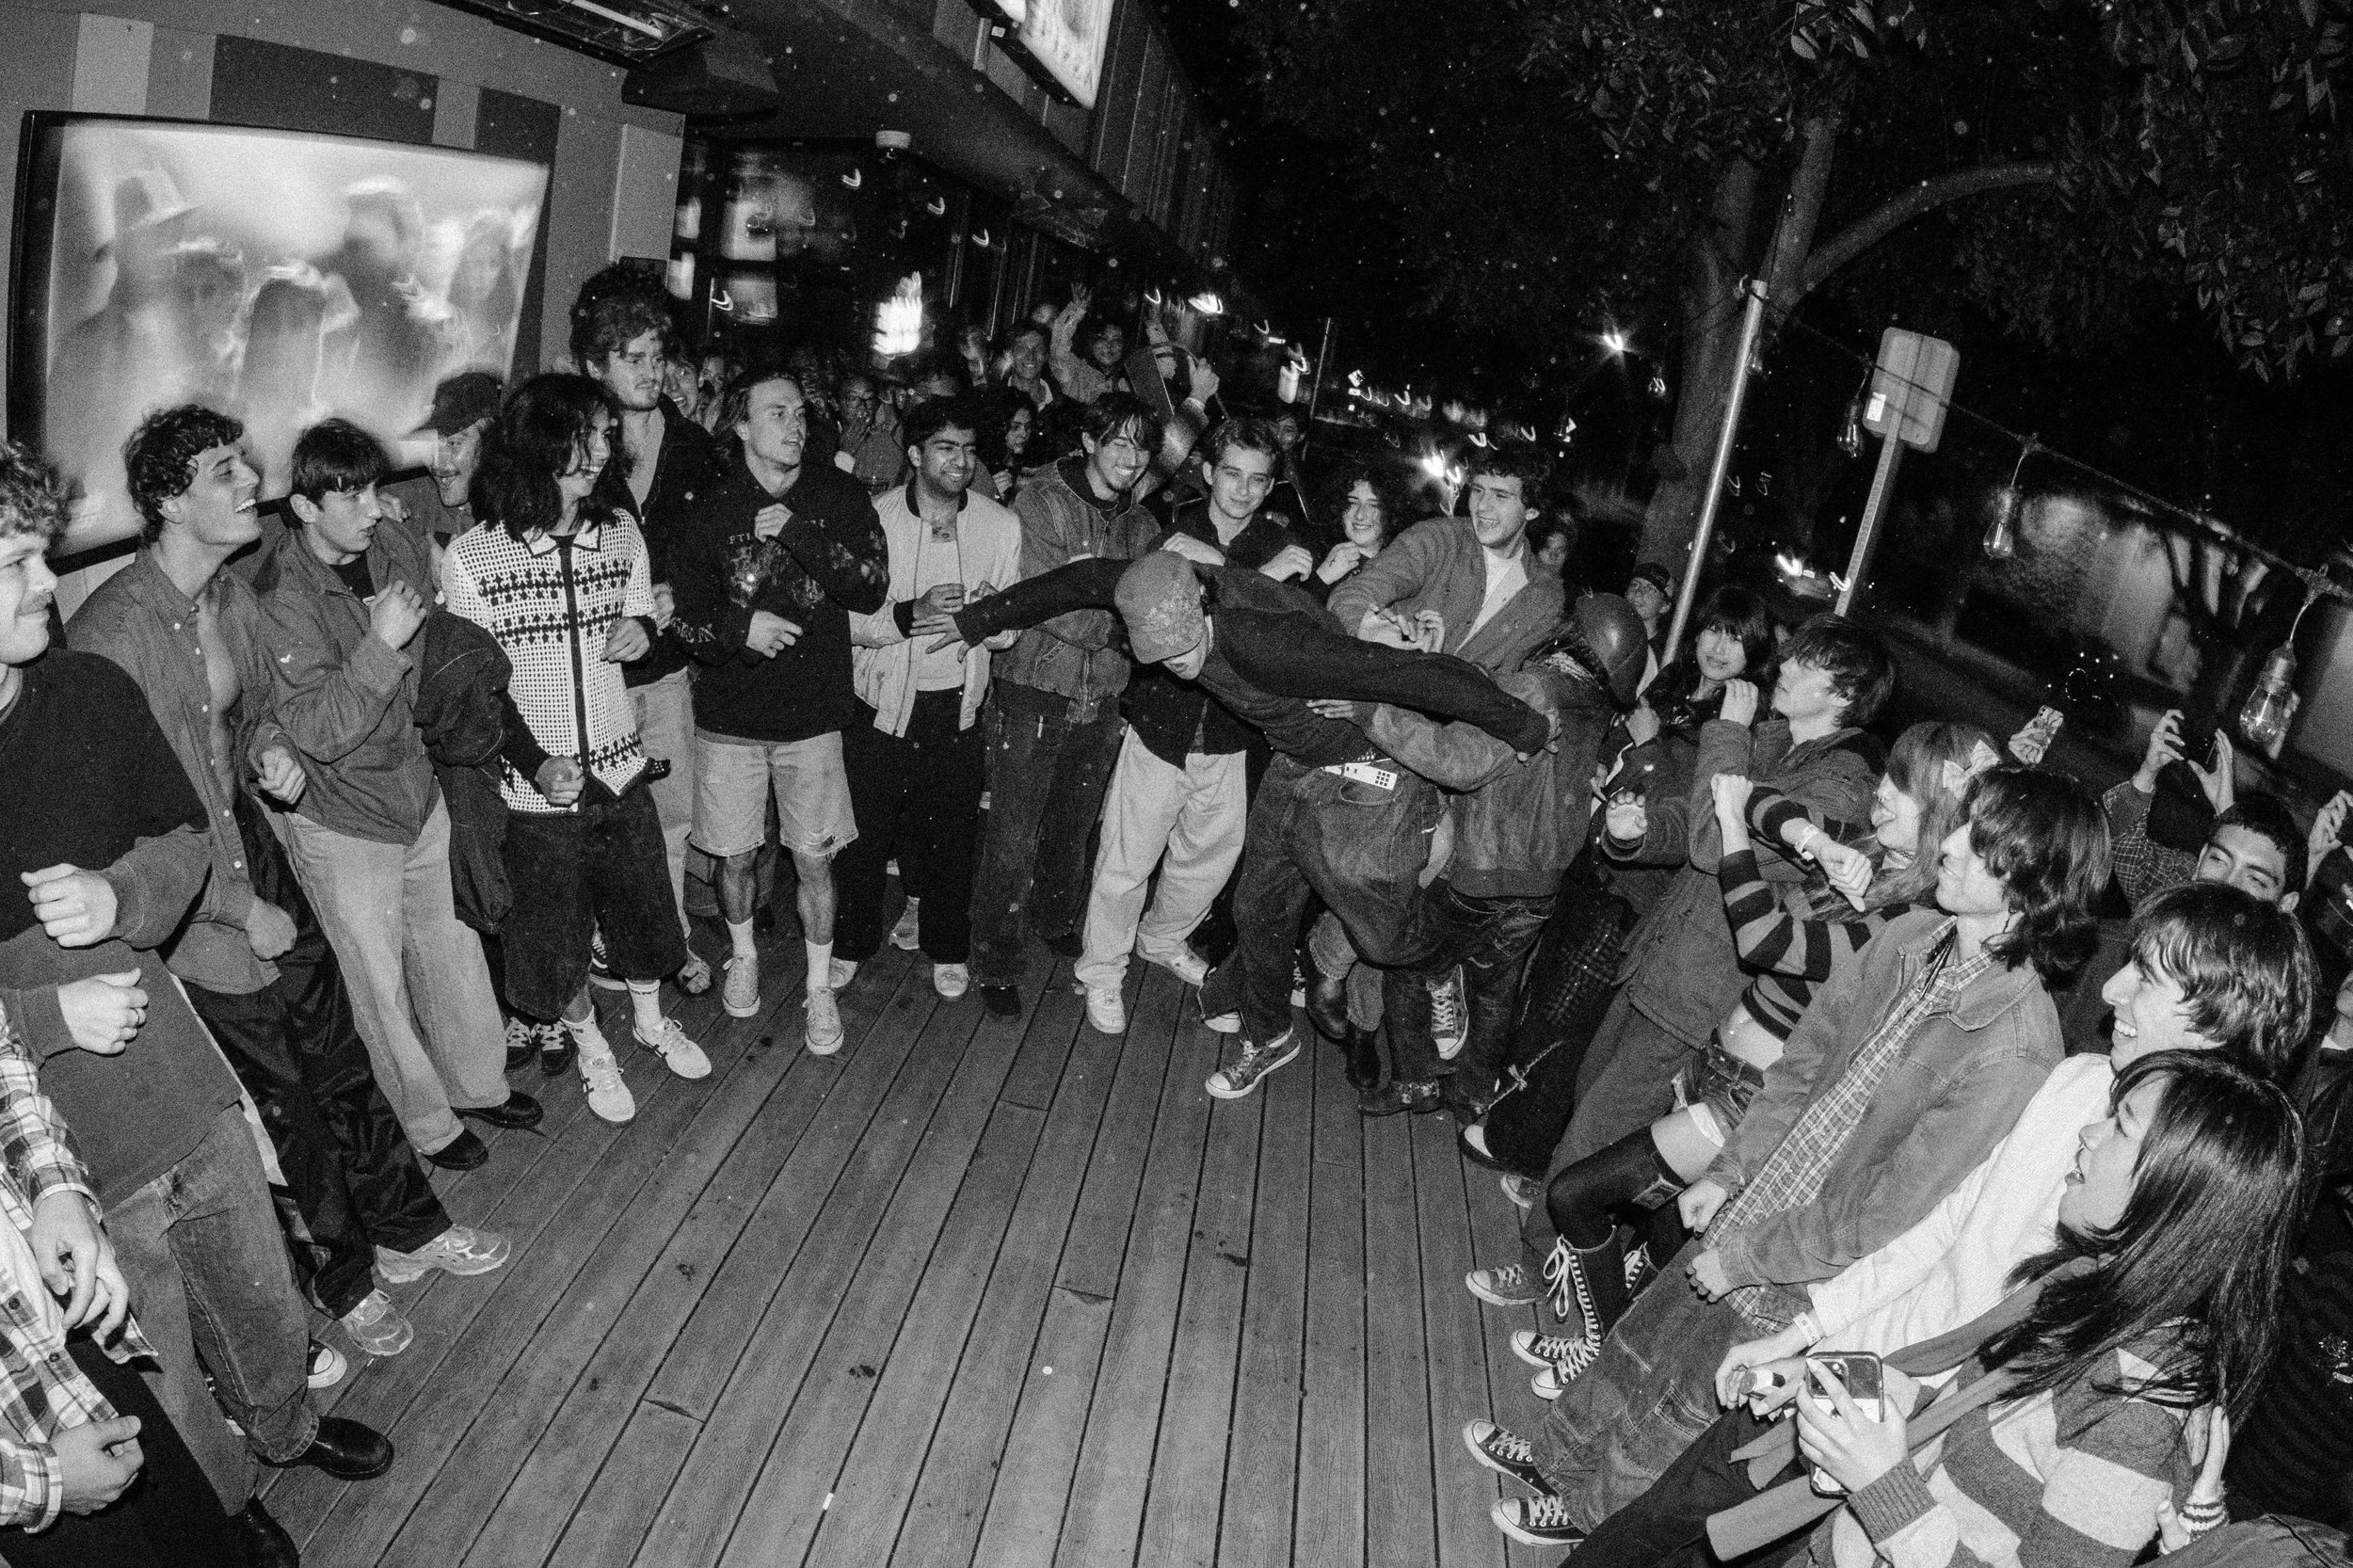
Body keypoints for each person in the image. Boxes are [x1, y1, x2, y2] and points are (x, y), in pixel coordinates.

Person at [1516, 880, 2315, 1559]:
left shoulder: (2167, 1200)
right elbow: (1943, 1230)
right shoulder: (2080, 1081)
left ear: (2219, 1016)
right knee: (1674, 1511)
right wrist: (1814, 1338)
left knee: (1700, 1532)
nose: (2111, 991)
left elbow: (2013, 1340)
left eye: (2147, 977)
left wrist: (1878, 1406)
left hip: (1912, 1435)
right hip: (1865, 1370)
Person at [1494, 766, 2108, 1533]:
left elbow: (1885, 1216)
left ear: (2029, 882)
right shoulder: (1911, 937)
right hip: (1758, 1201)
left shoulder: (2016, 1048)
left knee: (1681, 1405)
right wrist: (1729, 1173)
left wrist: (1748, 1258)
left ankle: (1587, 1517)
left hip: (1806, 1267)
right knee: (1643, 1344)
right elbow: (1801, 1067)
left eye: (1977, 841)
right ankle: (1554, 1459)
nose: (1948, 845)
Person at [0, 439, 389, 1561]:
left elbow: (184, 842)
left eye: (39, 556)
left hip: (182, 1080)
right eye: (17, 562)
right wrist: (43, 1018)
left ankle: (286, 1423)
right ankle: (226, 1500)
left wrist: (118, 895)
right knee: (156, 1349)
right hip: (67, 1152)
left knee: (258, 1290)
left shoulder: (87, 691)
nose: (46, 583)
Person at [73, 407, 508, 1364]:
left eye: (247, 464)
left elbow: (258, 718)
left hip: (248, 846)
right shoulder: (111, 633)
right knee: (285, 1101)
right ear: (167, 500)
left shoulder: (228, 595)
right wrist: (239, 909)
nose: (251, 484)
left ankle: (410, 1227)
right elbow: (126, 826)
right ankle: (345, 1281)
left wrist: (269, 753)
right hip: (193, 896)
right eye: (225, 472)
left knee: (339, 1052)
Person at [1507, 724, 1999, 1386]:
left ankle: (1597, 1355)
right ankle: (1607, 1359)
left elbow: (1767, 941)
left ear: (1943, 814)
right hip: (1715, 1067)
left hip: (1752, 1097)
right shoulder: (1862, 849)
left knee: (1578, 1195)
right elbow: (1760, 798)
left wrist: (1735, 833)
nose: (1882, 791)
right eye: (1890, 775)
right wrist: (1817, 841)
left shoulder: (1911, 916)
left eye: (1904, 786)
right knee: (1663, 1248)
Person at [1467, 614, 1893, 1311]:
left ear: (1843, 692)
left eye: (1805, 661)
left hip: (1706, 994)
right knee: (1593, 1104)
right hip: (1664, 961)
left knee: (1599, 1127)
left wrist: (1726, 734)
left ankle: (1539, 1260)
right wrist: (1635, 834)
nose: (1782, 665)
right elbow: (1692, 821)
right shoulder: (1777, 738)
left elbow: (1712, 840)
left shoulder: (1841, 785)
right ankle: (1576, 1241)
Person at [251, 418, 539, 1169]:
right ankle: (428, 1123)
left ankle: (478, 1085)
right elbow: (318, 730)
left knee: (453, 951)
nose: (373, 507)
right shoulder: (280, 597)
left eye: (375, 488)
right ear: (304, 508)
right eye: (352, 496)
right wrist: (380, 643)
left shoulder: (393, 544)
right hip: (345, 818)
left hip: (416, 790)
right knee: (379, 991)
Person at [441, 376, 712, 1123]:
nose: (599, 449)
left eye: (603, 434)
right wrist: (534, 764)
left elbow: (640, 612)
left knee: (643, 913)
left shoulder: (620, 531)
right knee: (556, 937)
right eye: (583, 434)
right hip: (538, 791)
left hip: (621, 769)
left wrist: (642, 631)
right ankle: (592, 1045)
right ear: (537, 444)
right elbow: (478, 690)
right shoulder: (474, 558)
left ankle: (652, 1022)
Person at [1319, 596, 1651, 1115]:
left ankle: (1415, 1083)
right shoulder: (1598, 709)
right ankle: (1474, 1094)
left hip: (1481, 871)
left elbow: (1457, 762)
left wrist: (1373, 714)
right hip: (1542, 883)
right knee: (1495, 992)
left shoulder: (1535, 688)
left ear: (1573, 634)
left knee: (1407, 965)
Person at [668, 368, 888, 1052]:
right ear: (741, 426)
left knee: (815, 859)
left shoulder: (838, 496)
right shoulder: (710, 508)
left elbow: (871, 589)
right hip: (729, 719)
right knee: (734, 857)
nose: (794, 425)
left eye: (799, 412)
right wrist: (742, 630)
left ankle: (819, 988)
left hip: (813, 717)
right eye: (776, 413)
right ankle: (744, 957)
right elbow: (684, 618)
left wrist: (801, 534)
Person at [1072, 417, 1312, 1033]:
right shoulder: (1175, 535)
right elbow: (1161, 618)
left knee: (1208, 860)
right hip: (1164, 725)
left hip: (1234, 734)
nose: (1243, 490)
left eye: (1257, 479)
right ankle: (1101, 970)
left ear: (1271, 486)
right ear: (1208, 473)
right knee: (1127, 860)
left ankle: (1161, 938)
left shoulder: (1281, 544)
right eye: (1231, 474)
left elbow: (1289, 637)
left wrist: (1256, 578)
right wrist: (1260, 581)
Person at [0, 992, 253, 1567]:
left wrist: (56, 1190)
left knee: (199, 1534)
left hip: (52, 1312)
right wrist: (40, 1482)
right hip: (18, 1440)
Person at [967, 393, 1166, 1018]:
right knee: (1012, 835)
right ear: (1088, 442)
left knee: (1073, 827)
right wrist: (1122, 626)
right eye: (1118, 442)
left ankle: (1053, 918)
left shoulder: (1142, 525)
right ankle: (996, 961)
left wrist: (1113, 612)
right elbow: (1047, 603)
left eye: (1142, 446)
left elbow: (1149, 608)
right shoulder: (1041, 501)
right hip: (1033, 689)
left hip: (1103, 695)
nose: (1131, 457)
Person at [834, 396, 1020, 1001]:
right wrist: (910, 613)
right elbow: (844, 621)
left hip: (957, 705)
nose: (960, 461)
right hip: (880, 704)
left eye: (968, 449)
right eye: (945, 448)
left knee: (951, 839)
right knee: (863, 838)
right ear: (914, 454)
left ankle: (947, 947)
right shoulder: (873, 518)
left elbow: (1012, 629)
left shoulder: (1000, 524)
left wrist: (989, 616)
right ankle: (850, 943)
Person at [577, 283, 721, 996]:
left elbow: (721, 557)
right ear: (595, 365)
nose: (651, 372)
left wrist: (676, 597)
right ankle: (602, 942)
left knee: (669, 815)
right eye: (632, 358)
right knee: (593, 817)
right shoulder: (574, 448)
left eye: (657, 356)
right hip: (585, 674)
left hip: (663, 671)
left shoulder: (695, 448)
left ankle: (669, 941)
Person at [1329, 442, 1568, 678]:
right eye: (1478, 490)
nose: (1482, 507)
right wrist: (1368, 631)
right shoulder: (1438, 538)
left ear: (1532, 511)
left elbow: (1512, 685)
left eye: (1500, 496)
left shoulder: (1545, 595)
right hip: (1383, 685)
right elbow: (1352, 594)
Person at [1310, 459, 1409, 597]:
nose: (1360, 515)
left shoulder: (1404, 567)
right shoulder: (1314, 555)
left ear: (1390, 512)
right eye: (1353, 503)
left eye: (1372, 505)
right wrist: (1322, 578)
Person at [1048, 285, 1127, 405]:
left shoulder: (1131, 379)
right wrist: (1077, 309)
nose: (1109, 345)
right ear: (1091, 343)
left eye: (1116, 340)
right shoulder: (1076, 371)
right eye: (1102, 339)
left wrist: (1154, 326)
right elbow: (1058, 347)